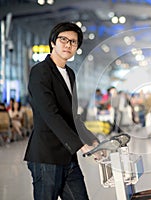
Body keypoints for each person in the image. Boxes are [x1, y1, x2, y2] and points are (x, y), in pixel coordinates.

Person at [24, 22, 101, 200]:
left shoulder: (70, 74)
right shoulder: (40, 72)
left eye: (73, 42)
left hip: (68, 157)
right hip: (46, 157)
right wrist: (80, 146)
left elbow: (73, 117)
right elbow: (51, 115)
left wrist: (93, 139)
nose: (68, 45)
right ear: (53, 42)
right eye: (63, 39)